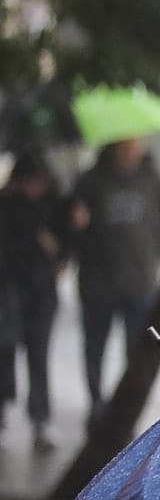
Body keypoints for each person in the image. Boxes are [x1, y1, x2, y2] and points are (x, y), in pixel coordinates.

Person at [68, 137, 160, 426]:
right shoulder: (90, 181)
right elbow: (71, 233)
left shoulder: (152, 179)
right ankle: (96, 403)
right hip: (97, 282)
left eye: (135, 145)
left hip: (139, 282)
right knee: (95, 347)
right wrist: (76, 225)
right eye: (125, 146)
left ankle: (127, 409)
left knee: (136, 349)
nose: (131, 151)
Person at [0, 150, 66, 451]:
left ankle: (40, 420)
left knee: (38, 356)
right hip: (9, 289)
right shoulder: (6, 205)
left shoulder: (53, 205)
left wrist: (59, 250)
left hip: (41, 292)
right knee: (5, 351)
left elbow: (66, 243)